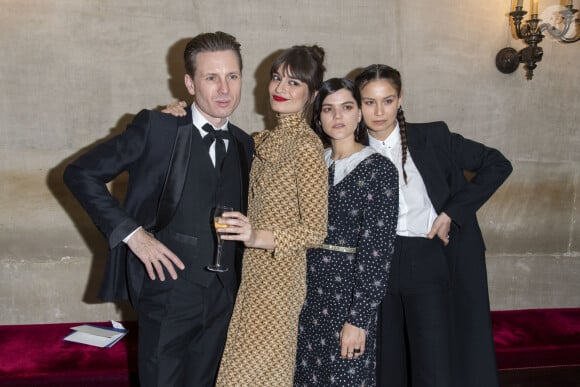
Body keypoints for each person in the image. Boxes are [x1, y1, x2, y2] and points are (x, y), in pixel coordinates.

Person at [63, 31, 254, 387]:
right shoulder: (159, 128)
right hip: (166, 293)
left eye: (232, 76)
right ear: (189, 83)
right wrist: (134, 236)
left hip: (224, 301)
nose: (224, 89)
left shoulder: (245, 144)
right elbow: (80, 173)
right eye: (211, 77)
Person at [354, 64, 512, 387]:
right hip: (377, 263)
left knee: (434, 364)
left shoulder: (432, 137)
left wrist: (452, 212)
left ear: (400, 100)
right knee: (387, 365)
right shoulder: (349, 150)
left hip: (427, 256)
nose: (379, 111)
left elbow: (497, 164)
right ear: (358, 105)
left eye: (387, 100)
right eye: (369, 102)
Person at [211, 45, 329, 386]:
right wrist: (176, 113)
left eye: (294, 83)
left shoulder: (306, 147)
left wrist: (257, 237)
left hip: (280, 278)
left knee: (248, 376)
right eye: (277, 78)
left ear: (312, 94)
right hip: (254, 271)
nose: (280, 89)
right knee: (251, 373)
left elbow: (315, 230)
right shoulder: (264, 139)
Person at [293, 78, 399, 386]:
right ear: (319, 116)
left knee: (345, 377)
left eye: (347, 107)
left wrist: (358, 318)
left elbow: (378, 250)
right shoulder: (311, 163)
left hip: (348, 295)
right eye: (328, 109)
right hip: (305, 292)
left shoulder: (379, 169)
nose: (337, 117)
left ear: (358, 115)